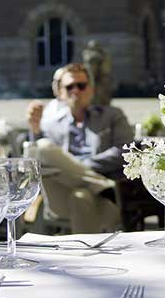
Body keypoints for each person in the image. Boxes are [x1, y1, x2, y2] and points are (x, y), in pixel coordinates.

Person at [26, 62, 133, 232]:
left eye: (81, 86)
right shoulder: (51, 123)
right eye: (69, 87)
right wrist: (35, 130)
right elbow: (36, 160)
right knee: (42, 146)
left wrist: (77, 166)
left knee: (80, 197)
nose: (75, 91)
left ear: (91, 89)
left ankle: (86, 250)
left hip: (105, 198)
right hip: (64, 194)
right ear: (61, 92)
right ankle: (102, 185)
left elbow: (125, 150)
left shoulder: (112, 115)